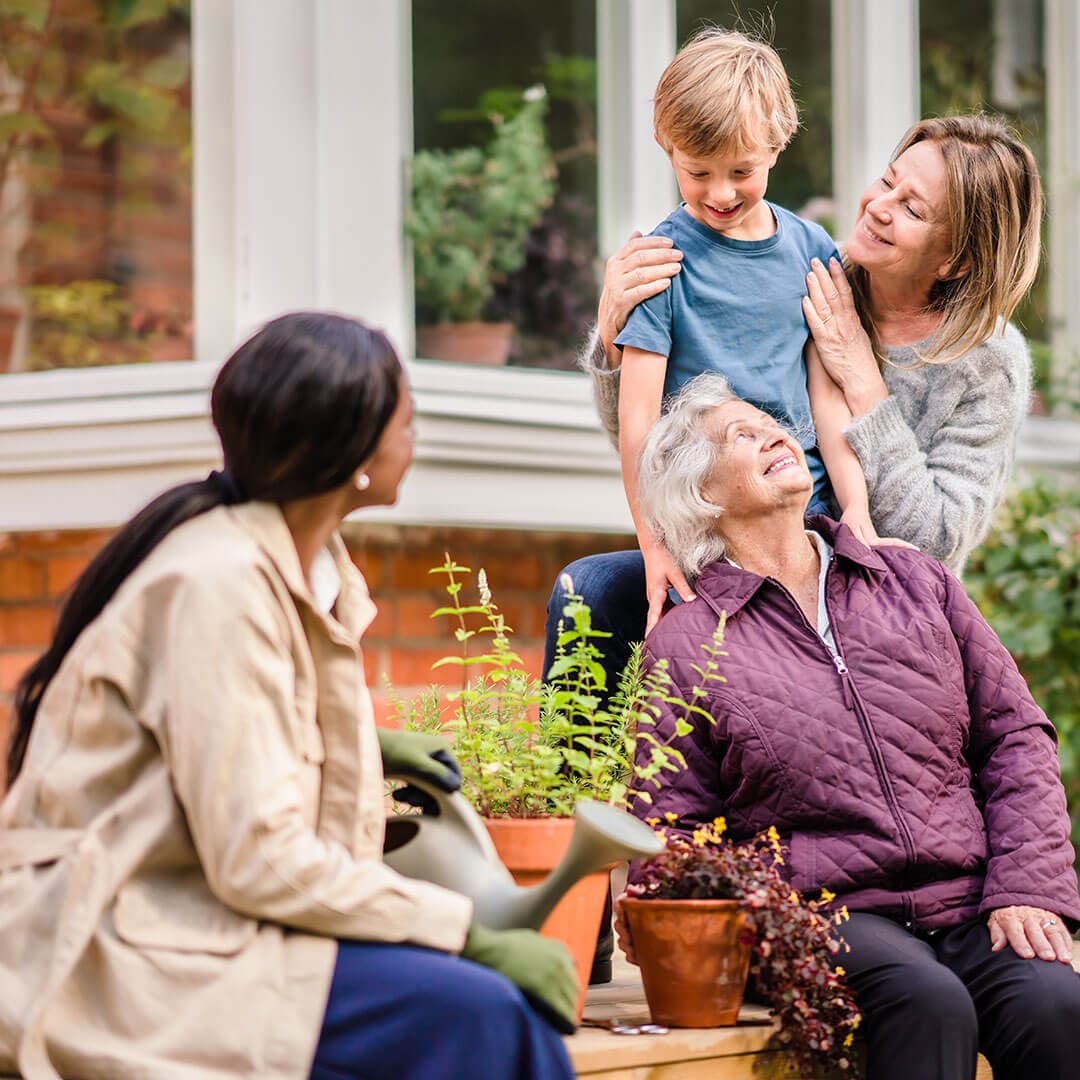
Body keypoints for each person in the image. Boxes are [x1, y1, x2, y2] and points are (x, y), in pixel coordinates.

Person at [0, 313, 577, 1080]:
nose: (416, 436)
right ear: (356, 451)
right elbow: (259, 860)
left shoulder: (309, 570)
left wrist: (362, 752)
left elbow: (232, 757)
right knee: (483, 1017)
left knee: (481, 1013)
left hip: (207, 922)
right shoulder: (219, 585)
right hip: (125, 948)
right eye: (408, 418)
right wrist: (463, 931)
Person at [614, 372, 1080, 1080]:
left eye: (771, 423)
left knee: (1054, 1003)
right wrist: (752, 918)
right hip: (826, 915)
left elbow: (1015, 737)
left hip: (970, 898)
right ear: (704, 494)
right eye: (741, 435)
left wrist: (1027, 886)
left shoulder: (915, 582)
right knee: (928, 1004)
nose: (774, 433)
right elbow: (672, 830)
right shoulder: (685, 645)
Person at [547, 113, 1041, 713]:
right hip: (733, 544)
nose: (879, 207)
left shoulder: (986, 362)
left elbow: (928, 541)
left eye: (912, 209)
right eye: (887, 182)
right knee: (592, 592)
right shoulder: (808, 272)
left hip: (869, 594)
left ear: (955, 261)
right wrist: (618, 335)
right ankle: (570, 802)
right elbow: (663, 434)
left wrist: (862, 380)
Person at [613, 27, 891, 646]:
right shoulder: (661, 263)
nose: (719, 192)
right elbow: (638, 424)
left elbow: (826, 398)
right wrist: (653, 546)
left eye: (741, 170)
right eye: (696, 172)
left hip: (806, 513)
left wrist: (857, 513)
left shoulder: (812, 251)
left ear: (776, 144)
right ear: (668, 149)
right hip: (711, 528)